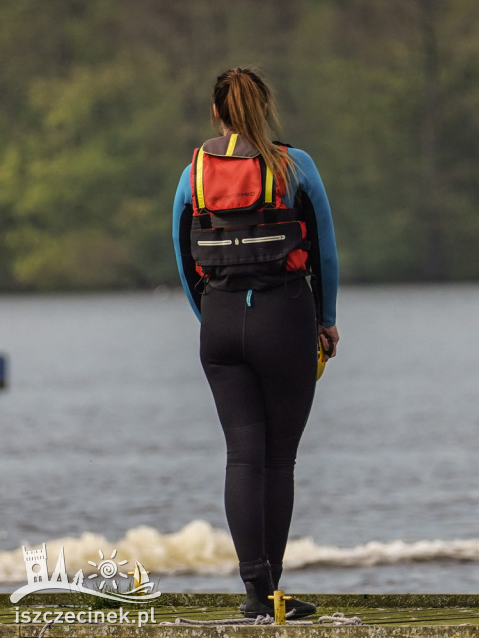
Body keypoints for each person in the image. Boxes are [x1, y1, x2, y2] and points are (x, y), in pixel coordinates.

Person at [172, 67, 339, 618]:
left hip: (219, 326)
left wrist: (209, 313)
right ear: (264, 110)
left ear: (216, 113)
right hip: (283, 319)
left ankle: (254, 595)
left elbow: (182, 254)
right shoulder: (295, 165)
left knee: (241, 456)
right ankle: (273, 594)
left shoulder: (192, 173)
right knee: (277, 460)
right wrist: (327, 320)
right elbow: (325, 253)